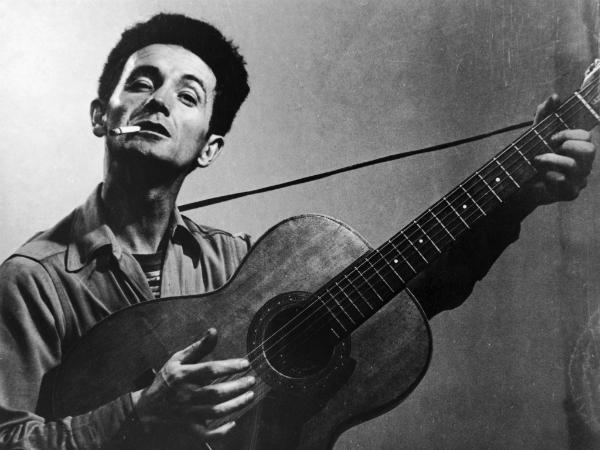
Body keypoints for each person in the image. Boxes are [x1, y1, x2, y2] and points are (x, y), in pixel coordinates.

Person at [0, 12, 595, 450]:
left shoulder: (236, 261)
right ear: (100, 115)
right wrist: (136, 415)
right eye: (140, 82)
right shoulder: (33, 281)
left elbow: (404, 302)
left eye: (188, 95)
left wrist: (520, 195)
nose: (159, 101)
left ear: (209, 148)